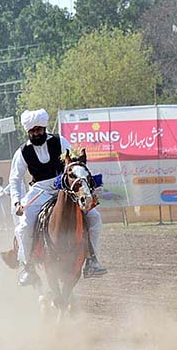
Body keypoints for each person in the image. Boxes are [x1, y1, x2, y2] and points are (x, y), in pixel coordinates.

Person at [10, 108, 106, 286]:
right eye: (32, 131)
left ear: (44, 128)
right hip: (39, 190)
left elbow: (74, 162)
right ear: (28, 132)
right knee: (23, 226)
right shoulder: (22, 152)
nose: (36, 133)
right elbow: (15, 179)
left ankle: (93, 260)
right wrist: (17, 201)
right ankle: (28, 267)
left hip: (64, 187)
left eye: (38, 129)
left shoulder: (59, 141)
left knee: (94, 217)